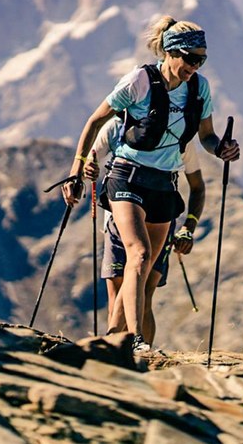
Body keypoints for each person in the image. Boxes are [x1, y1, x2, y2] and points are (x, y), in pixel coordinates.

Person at [62, 15, 239, 353]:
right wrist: (77, 169)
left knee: (143, 278)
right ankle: (136, 341)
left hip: (165, 185)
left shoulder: (199, 88)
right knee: (139, 255)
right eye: (189, 58)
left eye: (201, 59)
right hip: (127, 176)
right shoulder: (140, 81)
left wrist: (224, 150)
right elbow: (95, 121)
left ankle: (109, 341)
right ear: (170, 52)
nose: (194, 66)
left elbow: (207, 137)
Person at [84, 116, 205, 346]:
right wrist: (85, 170)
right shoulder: (116, 126)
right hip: (117, 220)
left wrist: (188, 227)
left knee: (145, 291)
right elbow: (89, 162)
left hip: (160, 215)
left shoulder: (179, 132)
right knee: (118, 290)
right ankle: (118, 353)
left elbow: (198, 186)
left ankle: (138, 356)